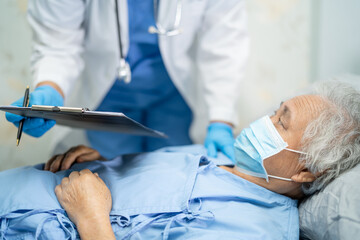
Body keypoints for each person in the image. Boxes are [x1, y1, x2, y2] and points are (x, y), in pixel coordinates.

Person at [1, 81, 359, 239]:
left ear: (305, 170)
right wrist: (107, 163)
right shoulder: (213, 155)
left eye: (281, 122)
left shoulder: (256, 231)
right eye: (275, 110)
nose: (262, 122)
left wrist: (92, 218)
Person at [5, 0, 249, 160]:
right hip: (107, 100)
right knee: (110, 184)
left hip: (175, 100)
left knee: (174, 181)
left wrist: (221, 120)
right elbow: (57, 44)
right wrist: (50, 89)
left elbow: (224, 44)